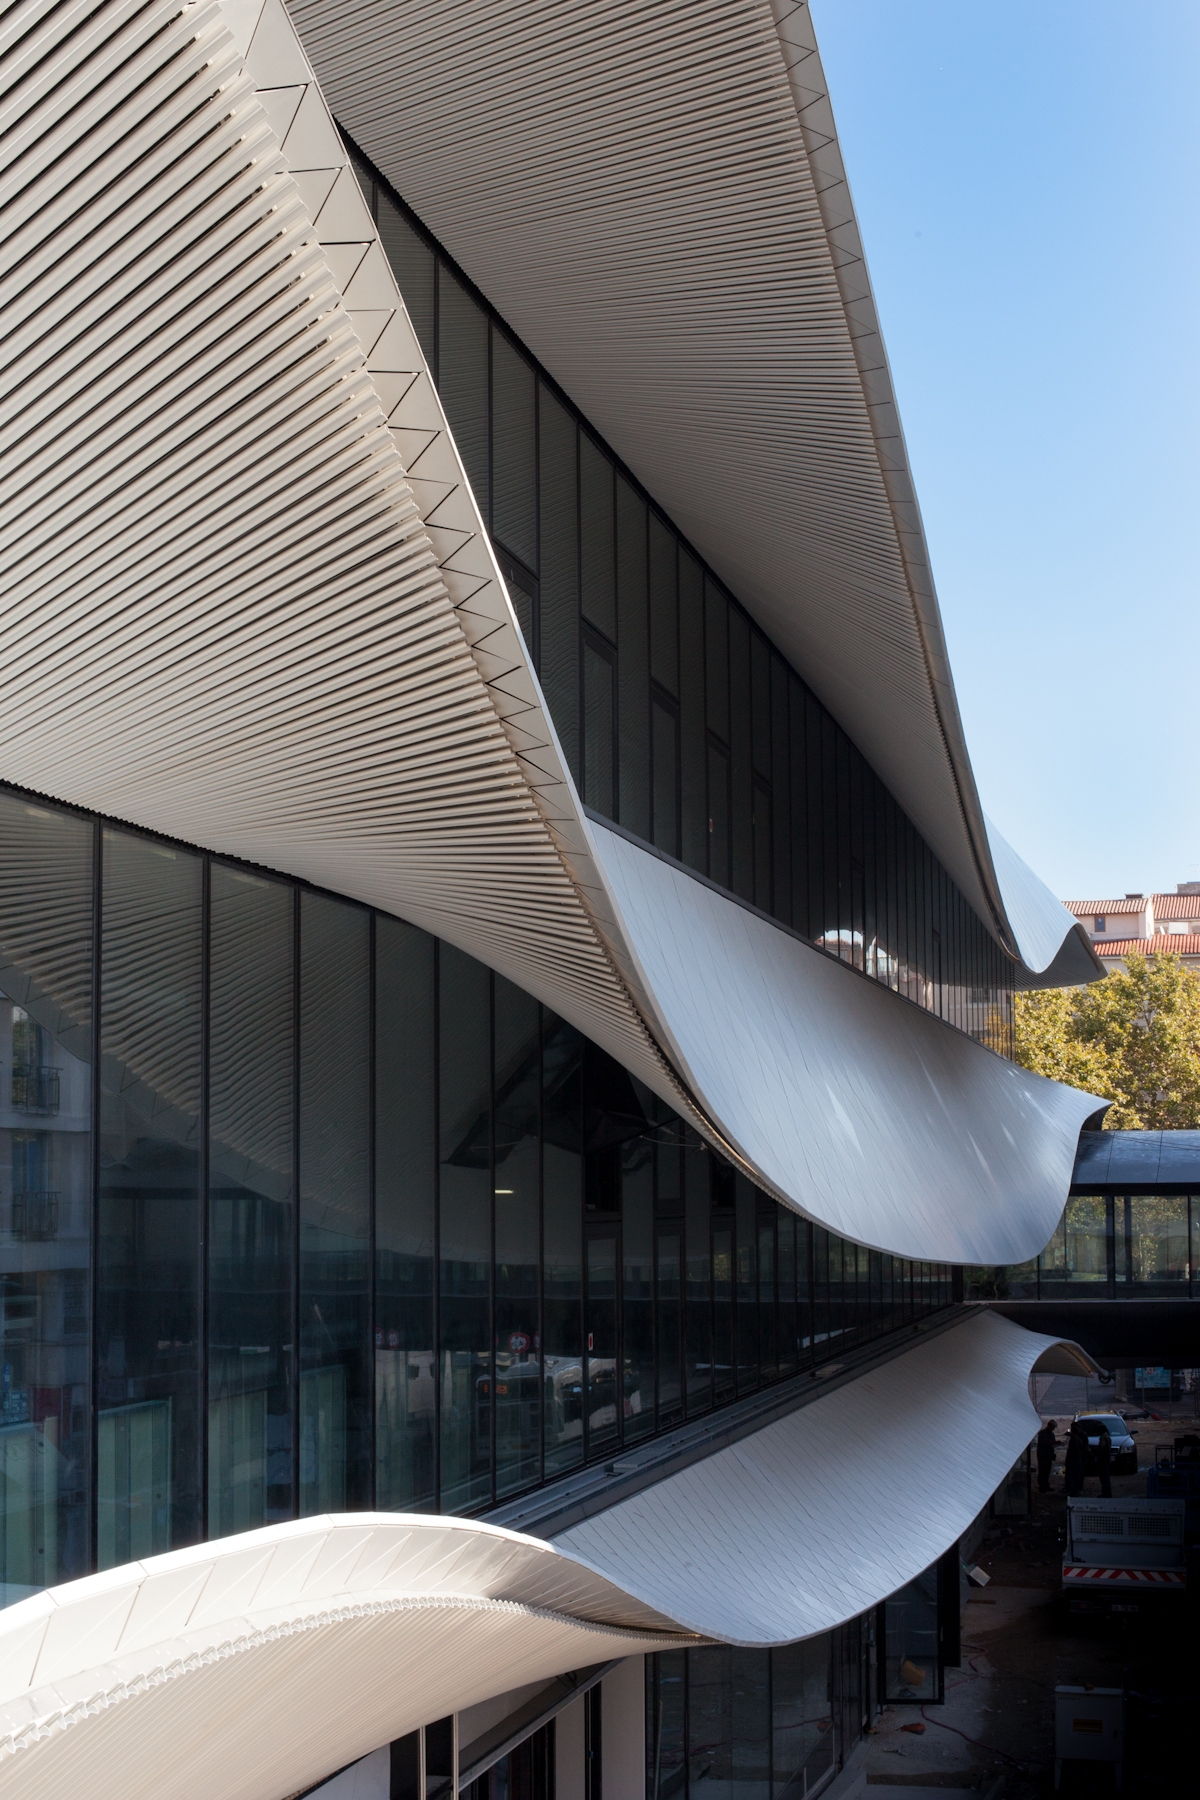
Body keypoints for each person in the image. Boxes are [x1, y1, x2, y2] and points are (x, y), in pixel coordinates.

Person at [1064, 1421, 1086, 1498]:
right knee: (1076, 1476)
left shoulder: (1073, 1440)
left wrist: (1067, 1460)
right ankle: (1075, 1490)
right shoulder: (1079, 1439)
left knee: (1072, 1476)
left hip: (1073, 1460)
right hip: (1078, 1460)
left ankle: (1073, 1491)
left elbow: (1071, 1451)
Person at [1036, 1419, 1058, 1493]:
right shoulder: (1042, 1433)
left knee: (1047, 1471)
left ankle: (1046, 1485)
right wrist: (1054, 1442)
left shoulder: (1051, 1434)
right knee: (1042, 1471)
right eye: (1053, 1427)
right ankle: (1042, 1486)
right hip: (1043, 1455)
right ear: (1049, 1425)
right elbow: (1046, 1442)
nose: (1053, 1429)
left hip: (1048, 1455)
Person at [1094, 1420, 1113, 1498]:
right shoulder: (1107, 1436)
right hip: (1106, 1460)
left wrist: (1097, 1454)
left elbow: (1101, 1448)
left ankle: (1106, 1493)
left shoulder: (1103, 1437)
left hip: (1103, 1460)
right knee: (1106, 1477)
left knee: (1104, 1478)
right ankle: (1107, 1492)